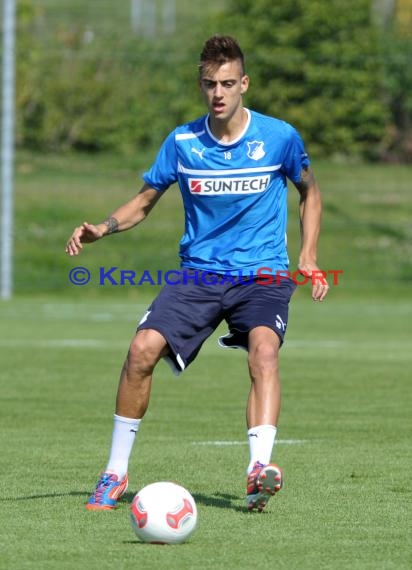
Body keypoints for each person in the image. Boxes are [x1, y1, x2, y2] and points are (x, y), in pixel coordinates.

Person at [66, 35, 329, 513]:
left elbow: (310, 193)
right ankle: (114, 473)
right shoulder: (183, 142)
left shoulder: (279, 137)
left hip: (262, 273)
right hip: (200, 274)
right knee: (141, 349)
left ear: (244, 83)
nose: (219, 93)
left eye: (228, 83)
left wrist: (308, 255)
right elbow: (144, 202)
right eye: (210, 84)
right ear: (201, 85)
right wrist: (102, 228)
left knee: (264, 350)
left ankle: (258, 472)